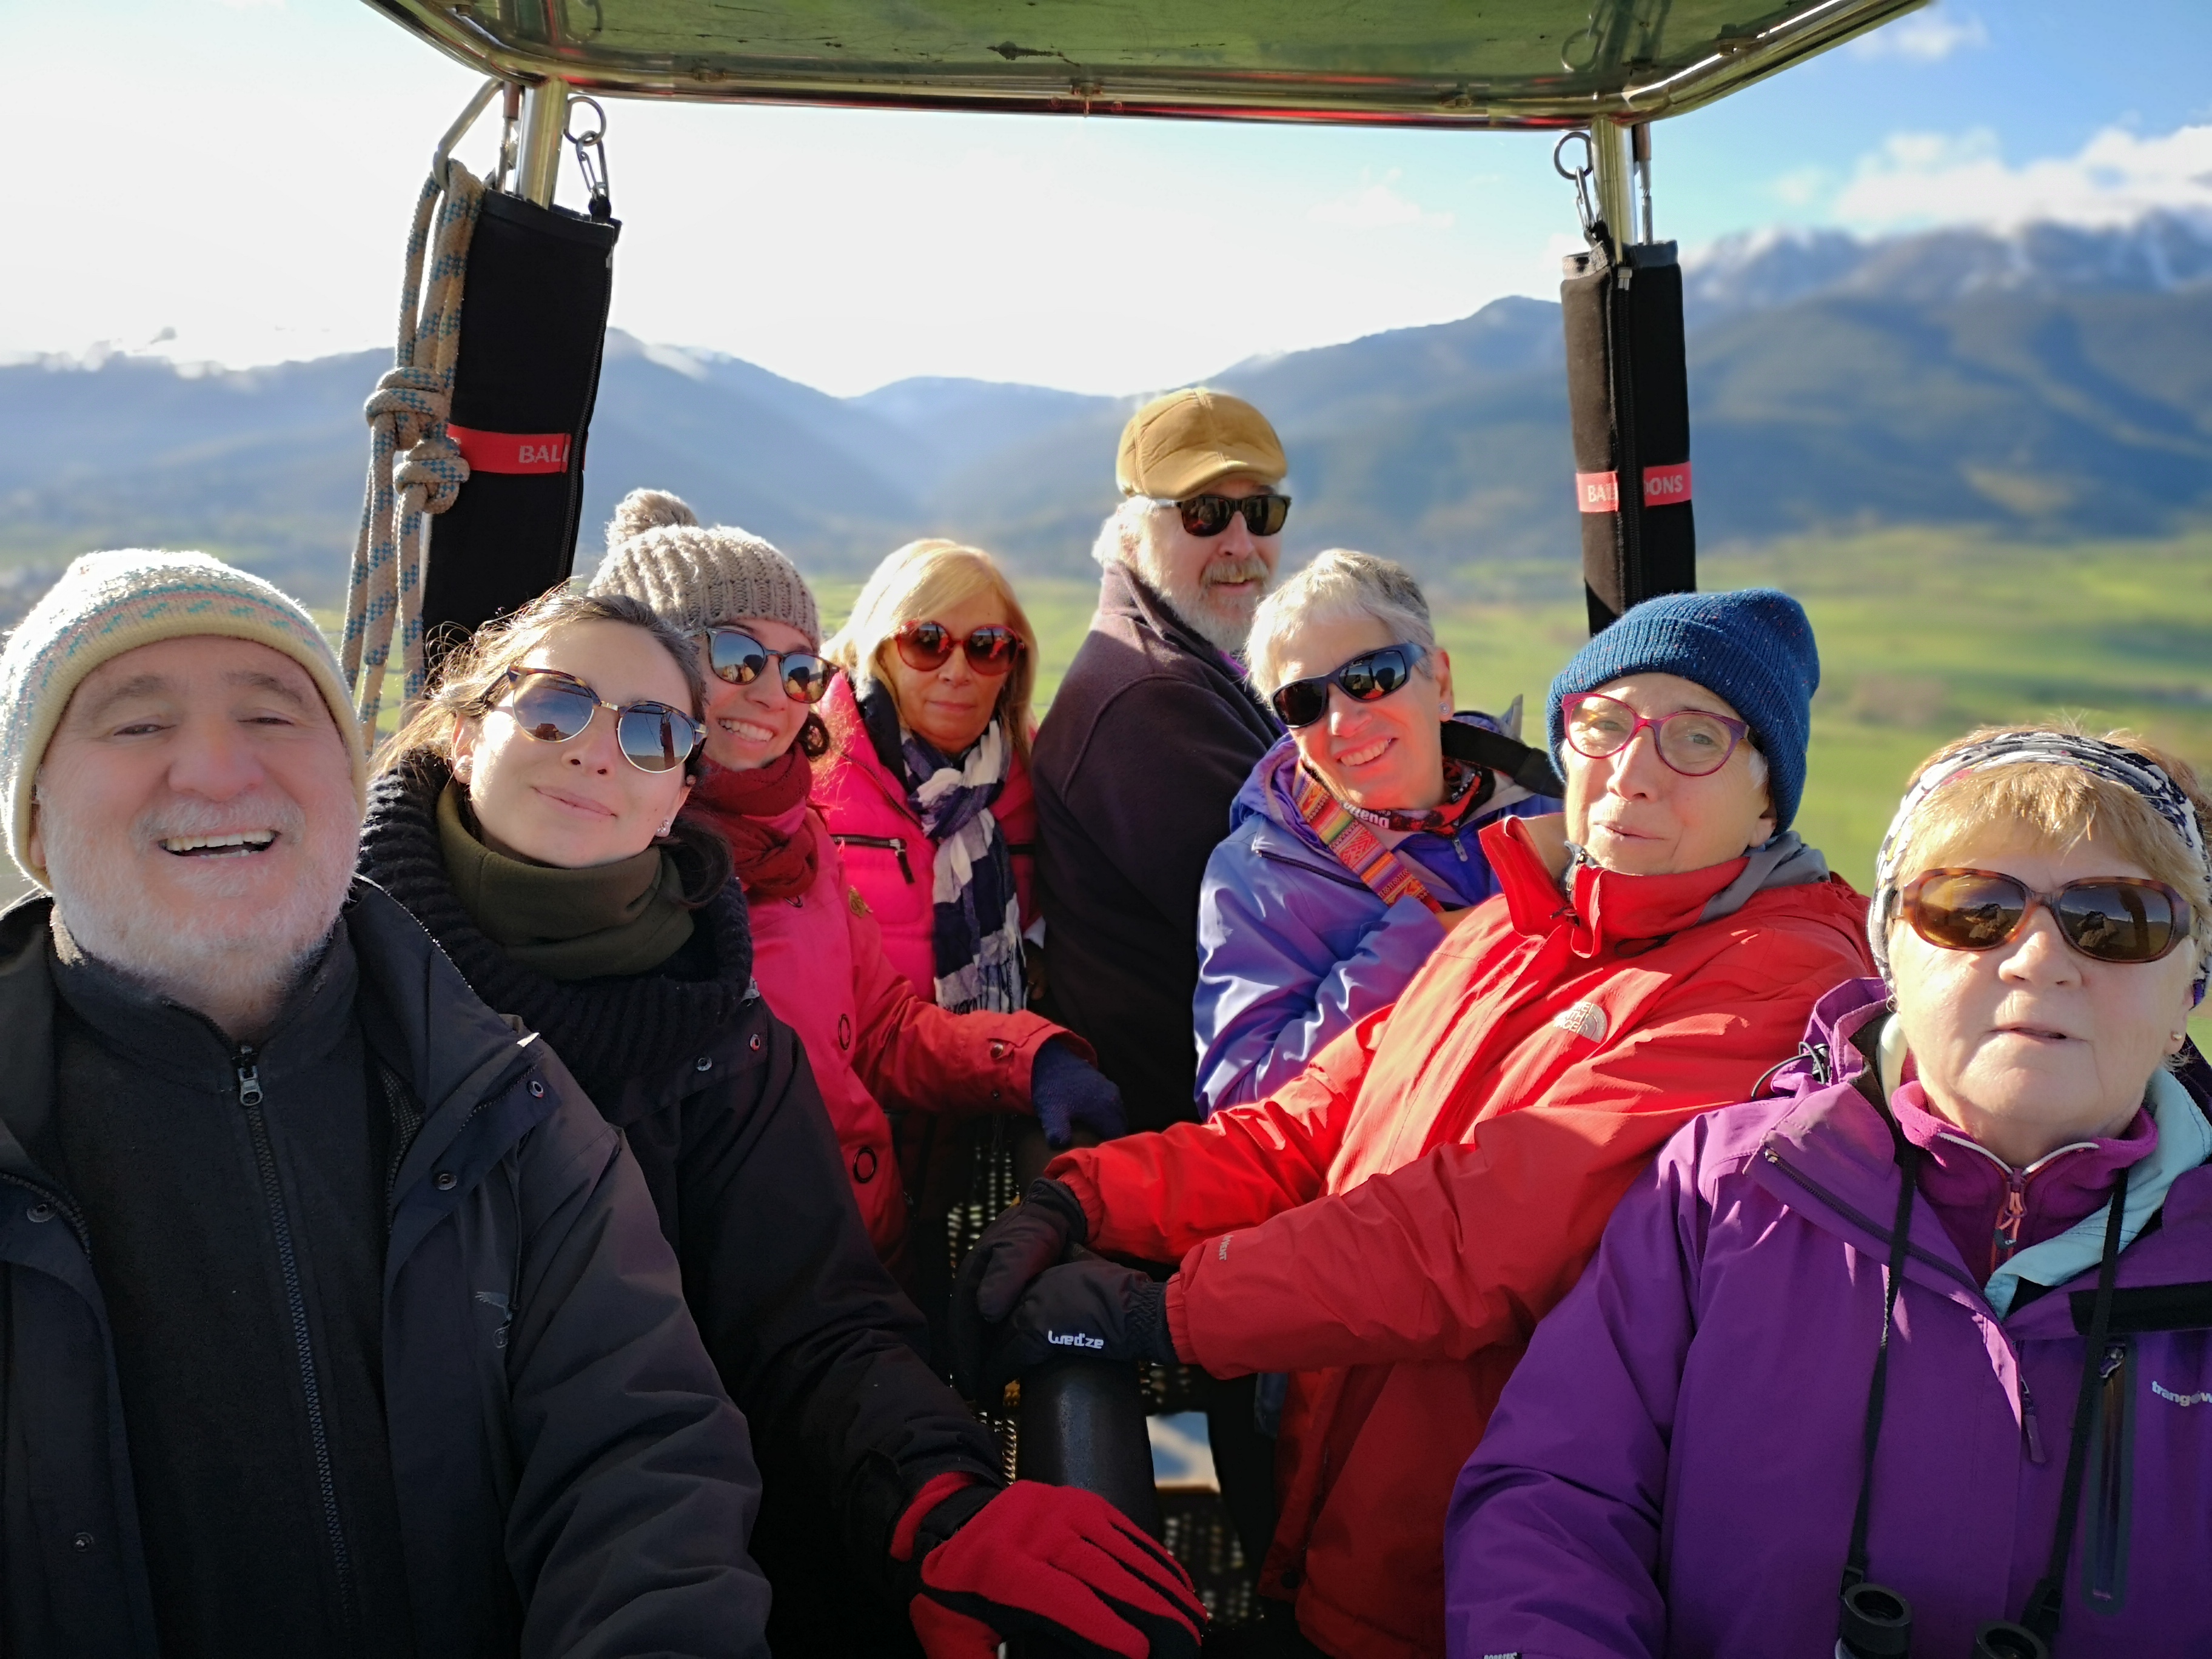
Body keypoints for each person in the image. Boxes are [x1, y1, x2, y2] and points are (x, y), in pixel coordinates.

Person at [956, 588, 1877, 1659]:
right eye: (1605, 721)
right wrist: (1085, 1197)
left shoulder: (1776, 993)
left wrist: (1166, 1316)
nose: (1631, 768)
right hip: (1345, 1495)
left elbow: (1470, 1236)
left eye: (1695, 737)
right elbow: (1307, 1125)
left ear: (1770, 799)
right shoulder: (1512, 922)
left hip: (1482, 1580)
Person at [359, 585, 1203, 1659]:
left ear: (678, 794)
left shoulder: (715, 1026)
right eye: (555, 704)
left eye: (653, 732)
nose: (597, 751)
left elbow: (808, 1318)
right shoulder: (328, 996)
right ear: (468, 725)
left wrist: (931, 1496)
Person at [0, 550, 769, 1657]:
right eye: (134, 724)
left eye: (273, 716)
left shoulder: (514, 1108)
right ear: (33, 822)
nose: (217, 771)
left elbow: (643, 1470)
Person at [1447, 724, 2212, 1659]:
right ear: (1891, 949)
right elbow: (1557, 1500)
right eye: (1973, 909)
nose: (2037, 960)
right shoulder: (1725, 1193)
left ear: (2190, 989)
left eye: (2117, 922)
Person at [587, 491, 1125, 1277]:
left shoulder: (801, 836)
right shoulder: (617, 863)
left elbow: (877, 1027)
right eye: (736, 658)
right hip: (739, 1286)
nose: (772, 692)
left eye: (798, 668)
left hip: (873, 1234)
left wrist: (1028, 1055)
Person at [1197, 549, 1560, 1116]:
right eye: (1305, 701)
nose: (1343, 721)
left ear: (1439, 680)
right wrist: (1428, 942)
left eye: (1372, 677)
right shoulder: (1258, 875)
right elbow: (1239, 1107)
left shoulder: (1549, 799)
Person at [1031, 387, 1289, 1129]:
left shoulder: (1194, 658)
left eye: (1262, 511)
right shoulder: (1149, 698)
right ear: (1134, 532)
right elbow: (1297, 913)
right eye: (1205, 513)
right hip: (1189, 1138)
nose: (1241, 544)